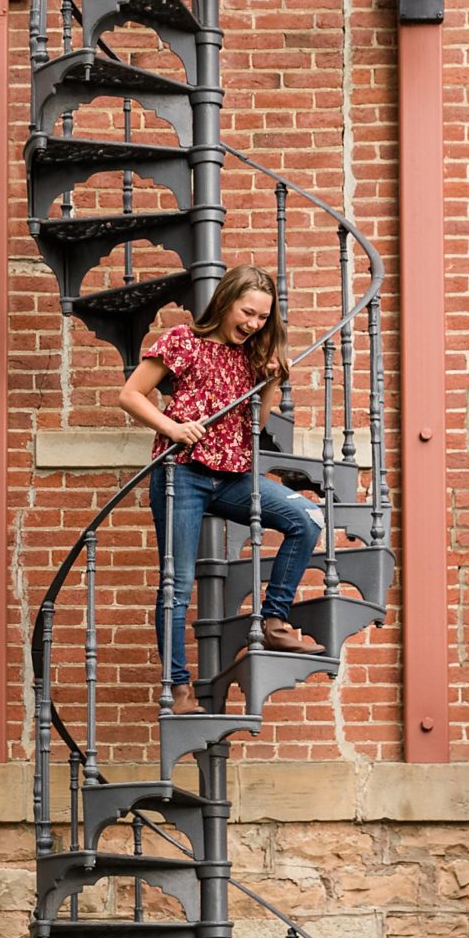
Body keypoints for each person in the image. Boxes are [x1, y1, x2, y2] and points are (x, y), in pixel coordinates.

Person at [118, 264, 324, 716]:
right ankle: (177, 686)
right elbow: (131, 394)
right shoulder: (182, 342)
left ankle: (274, 619)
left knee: (307, 518)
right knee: (177, 586)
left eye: (262, 318)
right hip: (183, 474)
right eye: (247, 312)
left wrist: (272, 380)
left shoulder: (251, 357)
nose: (253, 324)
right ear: (226, 301)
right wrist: (173, 426)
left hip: (231, 476)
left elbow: (258, 425)